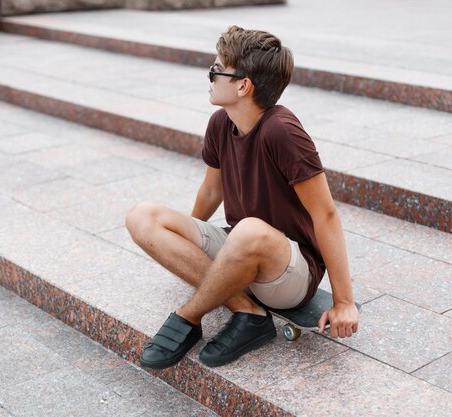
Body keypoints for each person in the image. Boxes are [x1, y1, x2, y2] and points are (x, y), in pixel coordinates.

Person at [125, 25, 359, 370]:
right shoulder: (221, 123)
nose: (210, 76)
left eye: (215, 70)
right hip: (242, 247)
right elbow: (210, 191)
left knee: (249, 229)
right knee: (142, 215)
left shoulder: (282, 131)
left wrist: (344, 301)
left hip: (289, 271)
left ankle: (187, 317)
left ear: (242, 85)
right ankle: (247, 311)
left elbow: (325, 215)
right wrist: (187, 247)